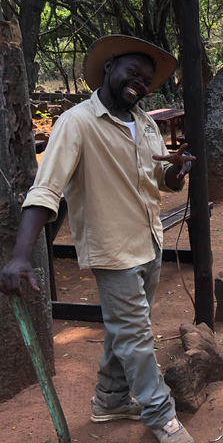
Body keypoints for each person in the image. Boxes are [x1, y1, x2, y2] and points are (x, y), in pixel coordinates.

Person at [0, 35, 196, 443]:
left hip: (150, 241)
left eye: (146, 80)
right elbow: (46, 189)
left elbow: (160, 180)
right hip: (112, 250)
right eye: (132, 72)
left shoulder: (144, 123)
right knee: (136, 333)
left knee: (124, 329)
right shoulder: (77, 122)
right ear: (108, 67)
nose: (139, 83)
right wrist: (21, 255)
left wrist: (178, 170)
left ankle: (109, 399)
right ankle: (161, 416)